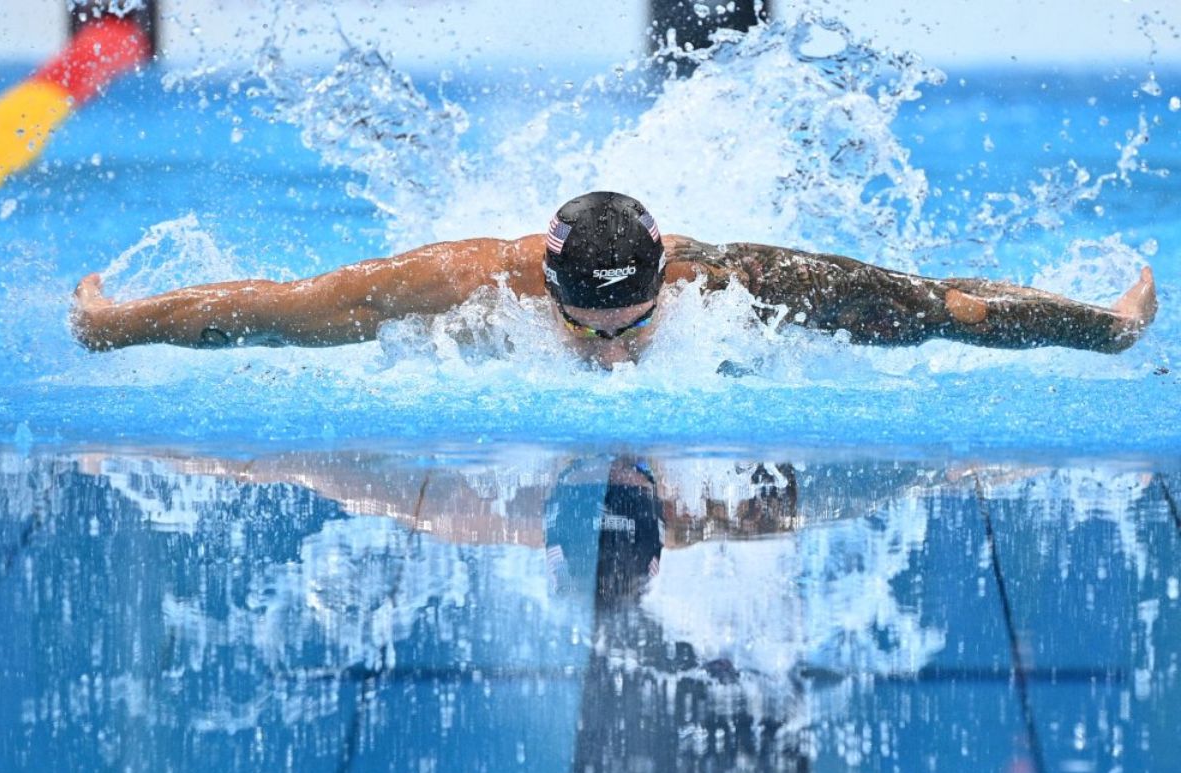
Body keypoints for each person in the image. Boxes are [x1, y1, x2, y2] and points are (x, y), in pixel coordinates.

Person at [71, 191, 1158, 369]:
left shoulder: (739, 284)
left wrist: (1101, 328)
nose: (610, 356)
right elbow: (267, 309)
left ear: (664, 274)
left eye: (631, 329)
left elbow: (946, 307)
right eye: (587, 331)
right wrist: (114, 329)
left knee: (911, 321)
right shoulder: (461, 283)